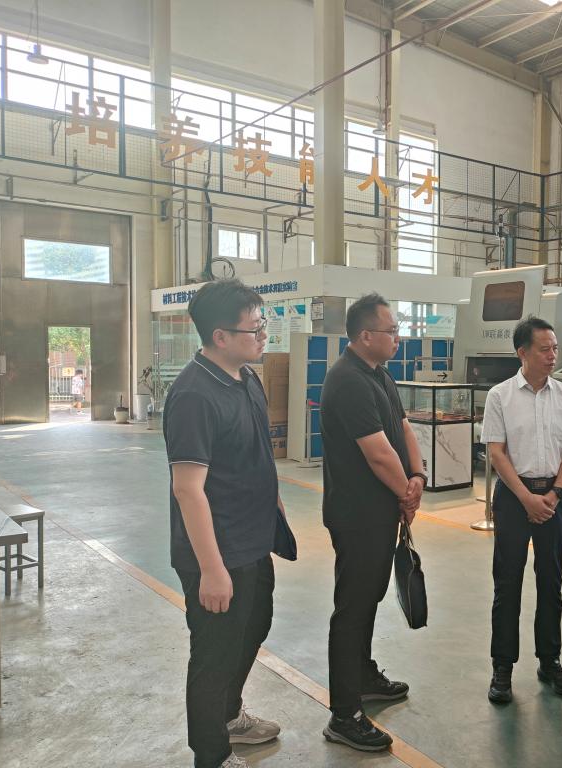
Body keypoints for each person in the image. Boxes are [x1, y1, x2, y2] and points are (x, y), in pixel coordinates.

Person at [163, 279, 296, 768]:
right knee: (214, 656)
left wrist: (273, 501)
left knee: (254, 626)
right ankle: (212, 755)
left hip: (253, 538)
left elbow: (256, 451)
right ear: (220, 336)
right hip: (217, 551)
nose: (264, 336)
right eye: (254, 328)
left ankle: (229, 716)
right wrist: (212, 570)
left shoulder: (246, 378)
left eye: (263, 325)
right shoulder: (194, 395)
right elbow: (187, 489)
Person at [320, 293, 427, 753]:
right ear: (365, 335)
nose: (398, 337)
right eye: (391, 330)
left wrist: (418, 476)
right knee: (353, 608)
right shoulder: (347, 380)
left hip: (380, 513)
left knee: (368, 600)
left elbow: (402, 428)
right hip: (357, 516)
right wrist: (406, 492)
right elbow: (378, 453)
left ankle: (362, 677)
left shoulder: (379, 373)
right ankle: (344, 715)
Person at [480, 316, 562, 704]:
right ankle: (502, 667)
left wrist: (555, 494)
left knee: (551, 582)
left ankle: (550, 661)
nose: (552, 355)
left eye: (555, 348)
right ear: (522, 353)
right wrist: (526, 498)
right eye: (545, 349)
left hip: (554, 497)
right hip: (513, 498)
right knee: (507, 583)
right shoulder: (500, 396)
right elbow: (496, 453)